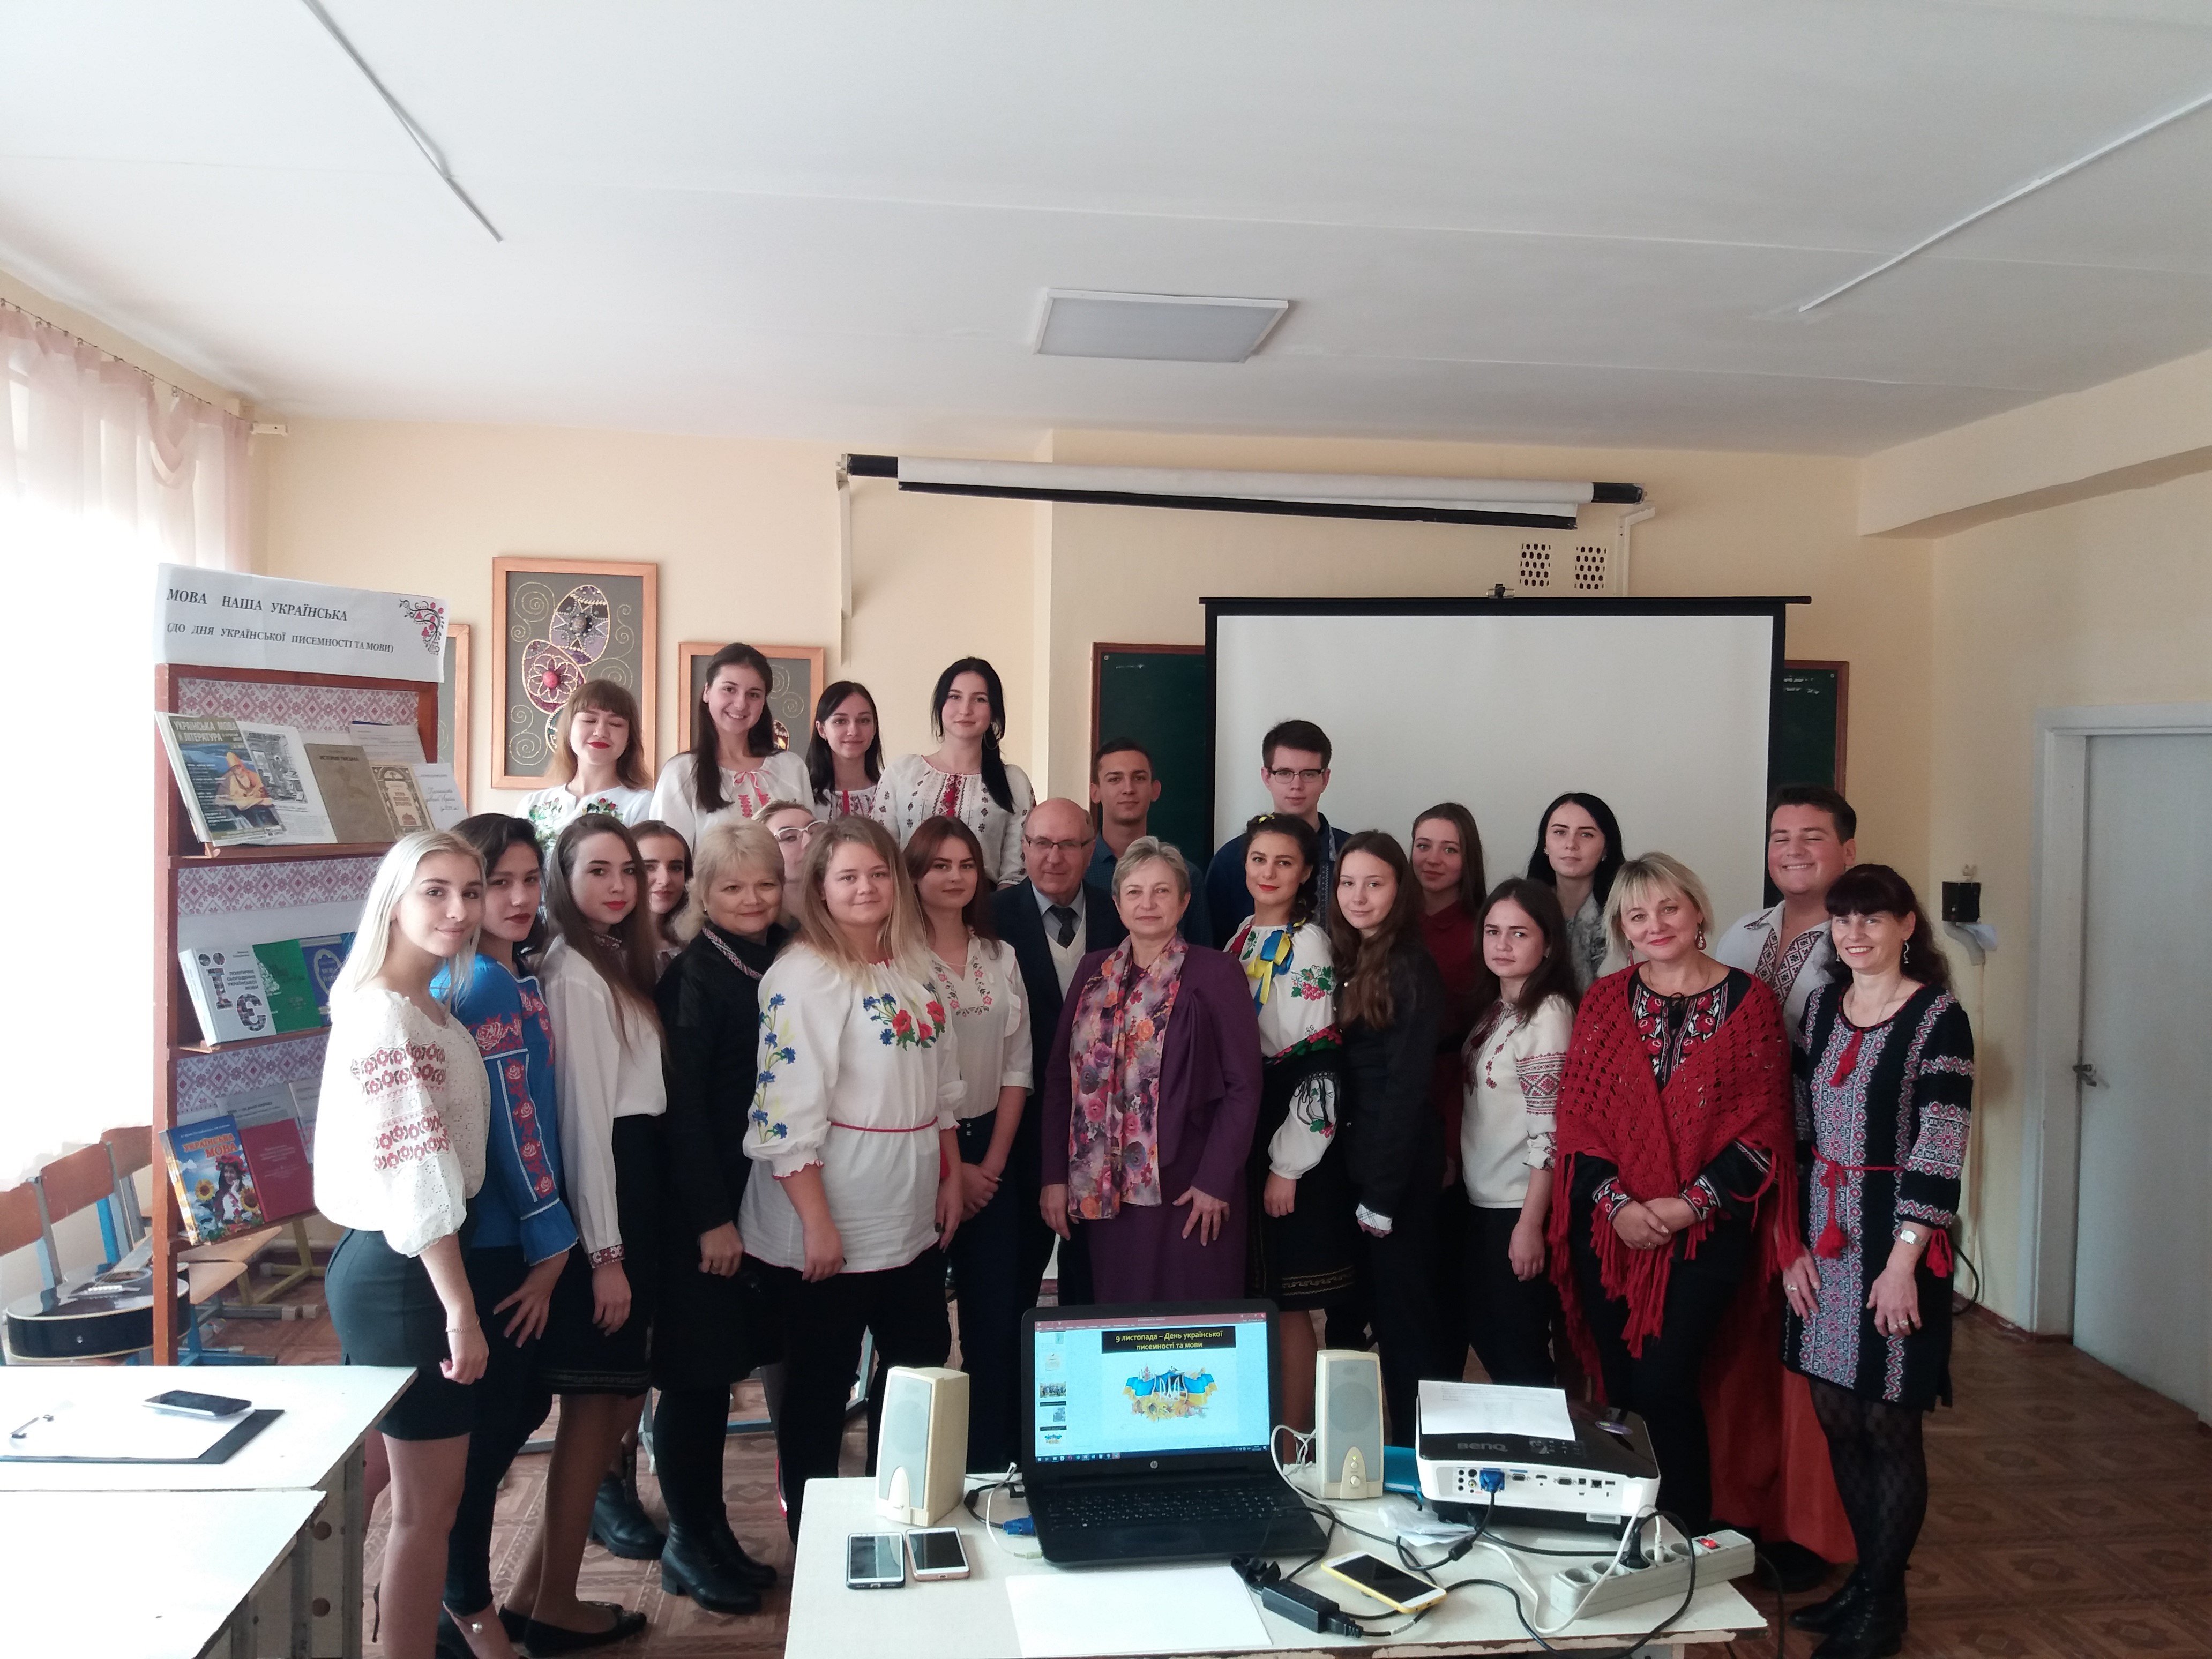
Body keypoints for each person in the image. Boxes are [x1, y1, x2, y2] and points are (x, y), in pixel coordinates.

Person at [1549, 853, 1797, 1535]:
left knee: (1665, 1381)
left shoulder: (1751, 1004)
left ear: (1697, 913)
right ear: (1624, 930)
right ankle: (1627, 1529)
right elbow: (1580, 1122)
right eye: (1638, 915)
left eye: (1668, 908)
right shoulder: (1605, 1002)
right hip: (1611, 1231)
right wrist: (1619, 1207)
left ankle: (1685, 1529)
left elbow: (1764, 1131)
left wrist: (1688, 1206)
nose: (1655, 925)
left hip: (1705, 1235)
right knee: (1621, 1385)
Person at [741, 816, 965, 1538]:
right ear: (820, 888)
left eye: (877, 874)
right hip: (830, 1219)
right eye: (847, 877)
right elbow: (784, 1115)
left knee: (916, 1367)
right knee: (819, 1390)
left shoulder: (914, 965)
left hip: (910, 1214)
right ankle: (816, 1542)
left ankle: (894, 1517)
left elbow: (942, 1088)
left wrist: (951, 1174)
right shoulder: (804, 975)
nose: (865, 888)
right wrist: (817, 1223)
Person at [1780, 866, 1973, 1658]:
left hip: (1898, 1244)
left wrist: (1903, 1265)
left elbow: (1940, 1146)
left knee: (1888, 1421)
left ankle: (1883, 1606)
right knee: (1837, 1413)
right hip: (1826, 1235)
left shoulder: (1938, 1018)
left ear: (1905, 926)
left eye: (1872, 919)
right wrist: (1792, 1243)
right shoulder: (1824, 1007)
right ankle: (1866, 1582)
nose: (1854, 933)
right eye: (1843, 919)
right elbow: (1800, 1126)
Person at [313, 830, 490, 1659]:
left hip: (395, 1263)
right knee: (429, 1510)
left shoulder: (420, 1001)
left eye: (470, 891)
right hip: (407, 1272)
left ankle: (313, 1625)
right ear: (393, 901)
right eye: (435, 891)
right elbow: (417, 1171)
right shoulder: (387, 1013)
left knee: (378, 1481)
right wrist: (460, 1310)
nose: (458, 909)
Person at [501, 816, 667, 1651]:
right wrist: (606, 1254)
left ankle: (537, 1595)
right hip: (610, 1203)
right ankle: (553, 1603)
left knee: (606, 1409)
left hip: (631, 1195)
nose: (618, 886)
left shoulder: (605, 960)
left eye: (627, 871)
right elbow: (584, 1128)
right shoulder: (572, 974)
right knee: (594, 1409)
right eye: (597, 870)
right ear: (562, 879)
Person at [436, 816, 578, 1659]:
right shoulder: (483, 985)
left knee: (510, 1413)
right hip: (499, 1240)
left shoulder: (509, 972)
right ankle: (463, 1606)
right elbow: (516, 1130)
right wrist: (552, 1245)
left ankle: (448, 1597)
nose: (520, 898)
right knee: (482, 1439)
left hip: (509, 1235)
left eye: (531, 880)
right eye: (499, 884)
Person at [651, 819, 790, 1614]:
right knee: (696, 1381)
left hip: (761, 1200)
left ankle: (714, 1536)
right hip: (705, 1211)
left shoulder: (778, 954)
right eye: (733, 886)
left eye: (765, 883)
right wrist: (711, 1219)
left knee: (722, 1373)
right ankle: (686, 1542)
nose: (751, 899)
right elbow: (684, 1113)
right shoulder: (695, 977)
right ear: (704, 893)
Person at [1042, 838, 1261, 1303]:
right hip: (1103, 1189)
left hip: (1190, 1188)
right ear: (1117, 903)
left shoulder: (1217, 973)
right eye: (1135, 892)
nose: (1147, 903)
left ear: (1184, 901)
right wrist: (1054, 1176)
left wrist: (1216, 1179)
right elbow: (1062, 1079)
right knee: (1120, 1316)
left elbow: (1244, 1086)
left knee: (1192, 1321)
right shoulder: (1092, 972)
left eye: (1162, 891)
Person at [907, 816, 1033, 1473]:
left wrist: (992, 1165)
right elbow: (923, 1077)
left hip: (992, 1153)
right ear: (914, 875)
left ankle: (988, 1463)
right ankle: (923, 1469)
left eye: (965, 865)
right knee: (922, 1330)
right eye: (939, 866)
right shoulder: (898, 959)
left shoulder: (999, 955)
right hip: (924, 1155)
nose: (954, 877)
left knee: (994, 1321)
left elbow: (1018, 1066)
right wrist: (954, 1170)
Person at [1224, 813, 1353, 1438]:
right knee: (1258, 1294)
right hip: (1249, 1117)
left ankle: (1297, 1441)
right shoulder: (1242, 934)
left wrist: (1288, 1164)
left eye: (1284, 862)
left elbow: (1318, 1059)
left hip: (1287, 1124)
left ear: (1305, 873)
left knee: (1288, 1301)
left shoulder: (1308, 944)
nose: (1269, 873)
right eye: (1259, 860)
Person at [1330, 831, 1448, 1443]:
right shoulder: (1353, 957)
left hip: (1395, 1175)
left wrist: (1380, 1196)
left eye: (1373, 884)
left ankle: (1417, 1458)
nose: (1358, 896)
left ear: (1398, 890)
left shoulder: (1409, 964)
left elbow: (1406, 1088)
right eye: (1348, 883)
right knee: (1354, 1317)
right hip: (1356, 1165)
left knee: (1404, 1328)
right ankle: (1355, 1456)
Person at [991, 798, 1126, 1309]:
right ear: (1024, 848)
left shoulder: (1122, 913)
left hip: (1108, 1127)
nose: (1054, 856)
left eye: (1068, 844)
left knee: (1094, 1282)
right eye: (1042, 843)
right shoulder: (989, 918)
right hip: (1017, 1123)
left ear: (1091, 851)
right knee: (1011, 1284)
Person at [1457, 878, 1578, 1387]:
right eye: (1493, 931)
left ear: (1548, 944)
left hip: (1517, 1205)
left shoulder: (1548, 1014)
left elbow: (1549, 1134)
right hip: (1482, 1201)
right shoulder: (1500, 1005)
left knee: (1518, 1352)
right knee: (1491, 1336)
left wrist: (1530, 1226)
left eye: (1519, 934)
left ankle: (1553, 1436)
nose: (1502, 945)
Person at [1409, 802, 1488, 1379]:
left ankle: (1443, 1390)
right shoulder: (1388, 916)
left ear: (1469, 860)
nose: (1433, 859)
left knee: (1443, 1272)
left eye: (1450, 849)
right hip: (1391, 1108)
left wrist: (1452, 1143)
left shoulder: (1483, 930)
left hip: (1455, 1103)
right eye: (1424, 845)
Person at [1714, 785, 1858, 1040]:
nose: (1794, 851)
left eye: (1812, 838)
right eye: (1781, 839)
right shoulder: (1743, 932)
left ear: (1848, 852)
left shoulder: (1863, 941)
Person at [874, 657, 1035, 885]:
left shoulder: (1013, 781)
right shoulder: (902, 773)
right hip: (909, 901)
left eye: (980, 699)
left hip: (987, 903)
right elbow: (882, 855)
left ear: (994, 712)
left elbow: (1016, 871)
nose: (965, 710)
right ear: (940, 705)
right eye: (955, 697)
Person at [1205, 720, 1349, 947]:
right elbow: (1212, 949)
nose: (1296, 785)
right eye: (1284, 773)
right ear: (1266, 777)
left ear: (1325, 779)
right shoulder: (1230, 860)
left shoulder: (1352, 854)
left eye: (1309, 774)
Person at [650, 642, 811, 846]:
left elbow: (812, 847)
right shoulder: (681, 773)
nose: (741, 704)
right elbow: (666, 855)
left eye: (754, 694)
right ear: (707, 692)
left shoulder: (791, 767)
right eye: (729, 689)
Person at [1086, 736, 1211, 945]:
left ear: (1155, 790)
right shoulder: (1080, 872)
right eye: (1115, 779)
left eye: (1139, 778)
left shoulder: (1186, 875)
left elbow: (1202, 956)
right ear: (1095, 792)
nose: (1128, 788)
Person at [520, 681, 655, 853]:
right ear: (569, 729)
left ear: (630, 738)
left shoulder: (643, 805)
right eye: (589, 720)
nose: (601, 732)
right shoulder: (532, 804)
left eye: (615, 724)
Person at [1525, 792, 1626, 991]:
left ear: (1606, 848)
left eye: (1586, 834)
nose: (1571, 844)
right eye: (1560, 832)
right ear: (1545, 844)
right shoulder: (1523, 910)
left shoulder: (1627, 916)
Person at [806, 679, 885, 819]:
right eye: (840, 721)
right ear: (822, 730)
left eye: (864, 720)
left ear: (874, 728)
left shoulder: (889, 793)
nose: (853, 731)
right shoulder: (805, 796)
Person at [633, 819, 691, 981]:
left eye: (675, 868)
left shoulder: (697, 942)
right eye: (649, 867)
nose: (665, 880)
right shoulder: (609, 950)